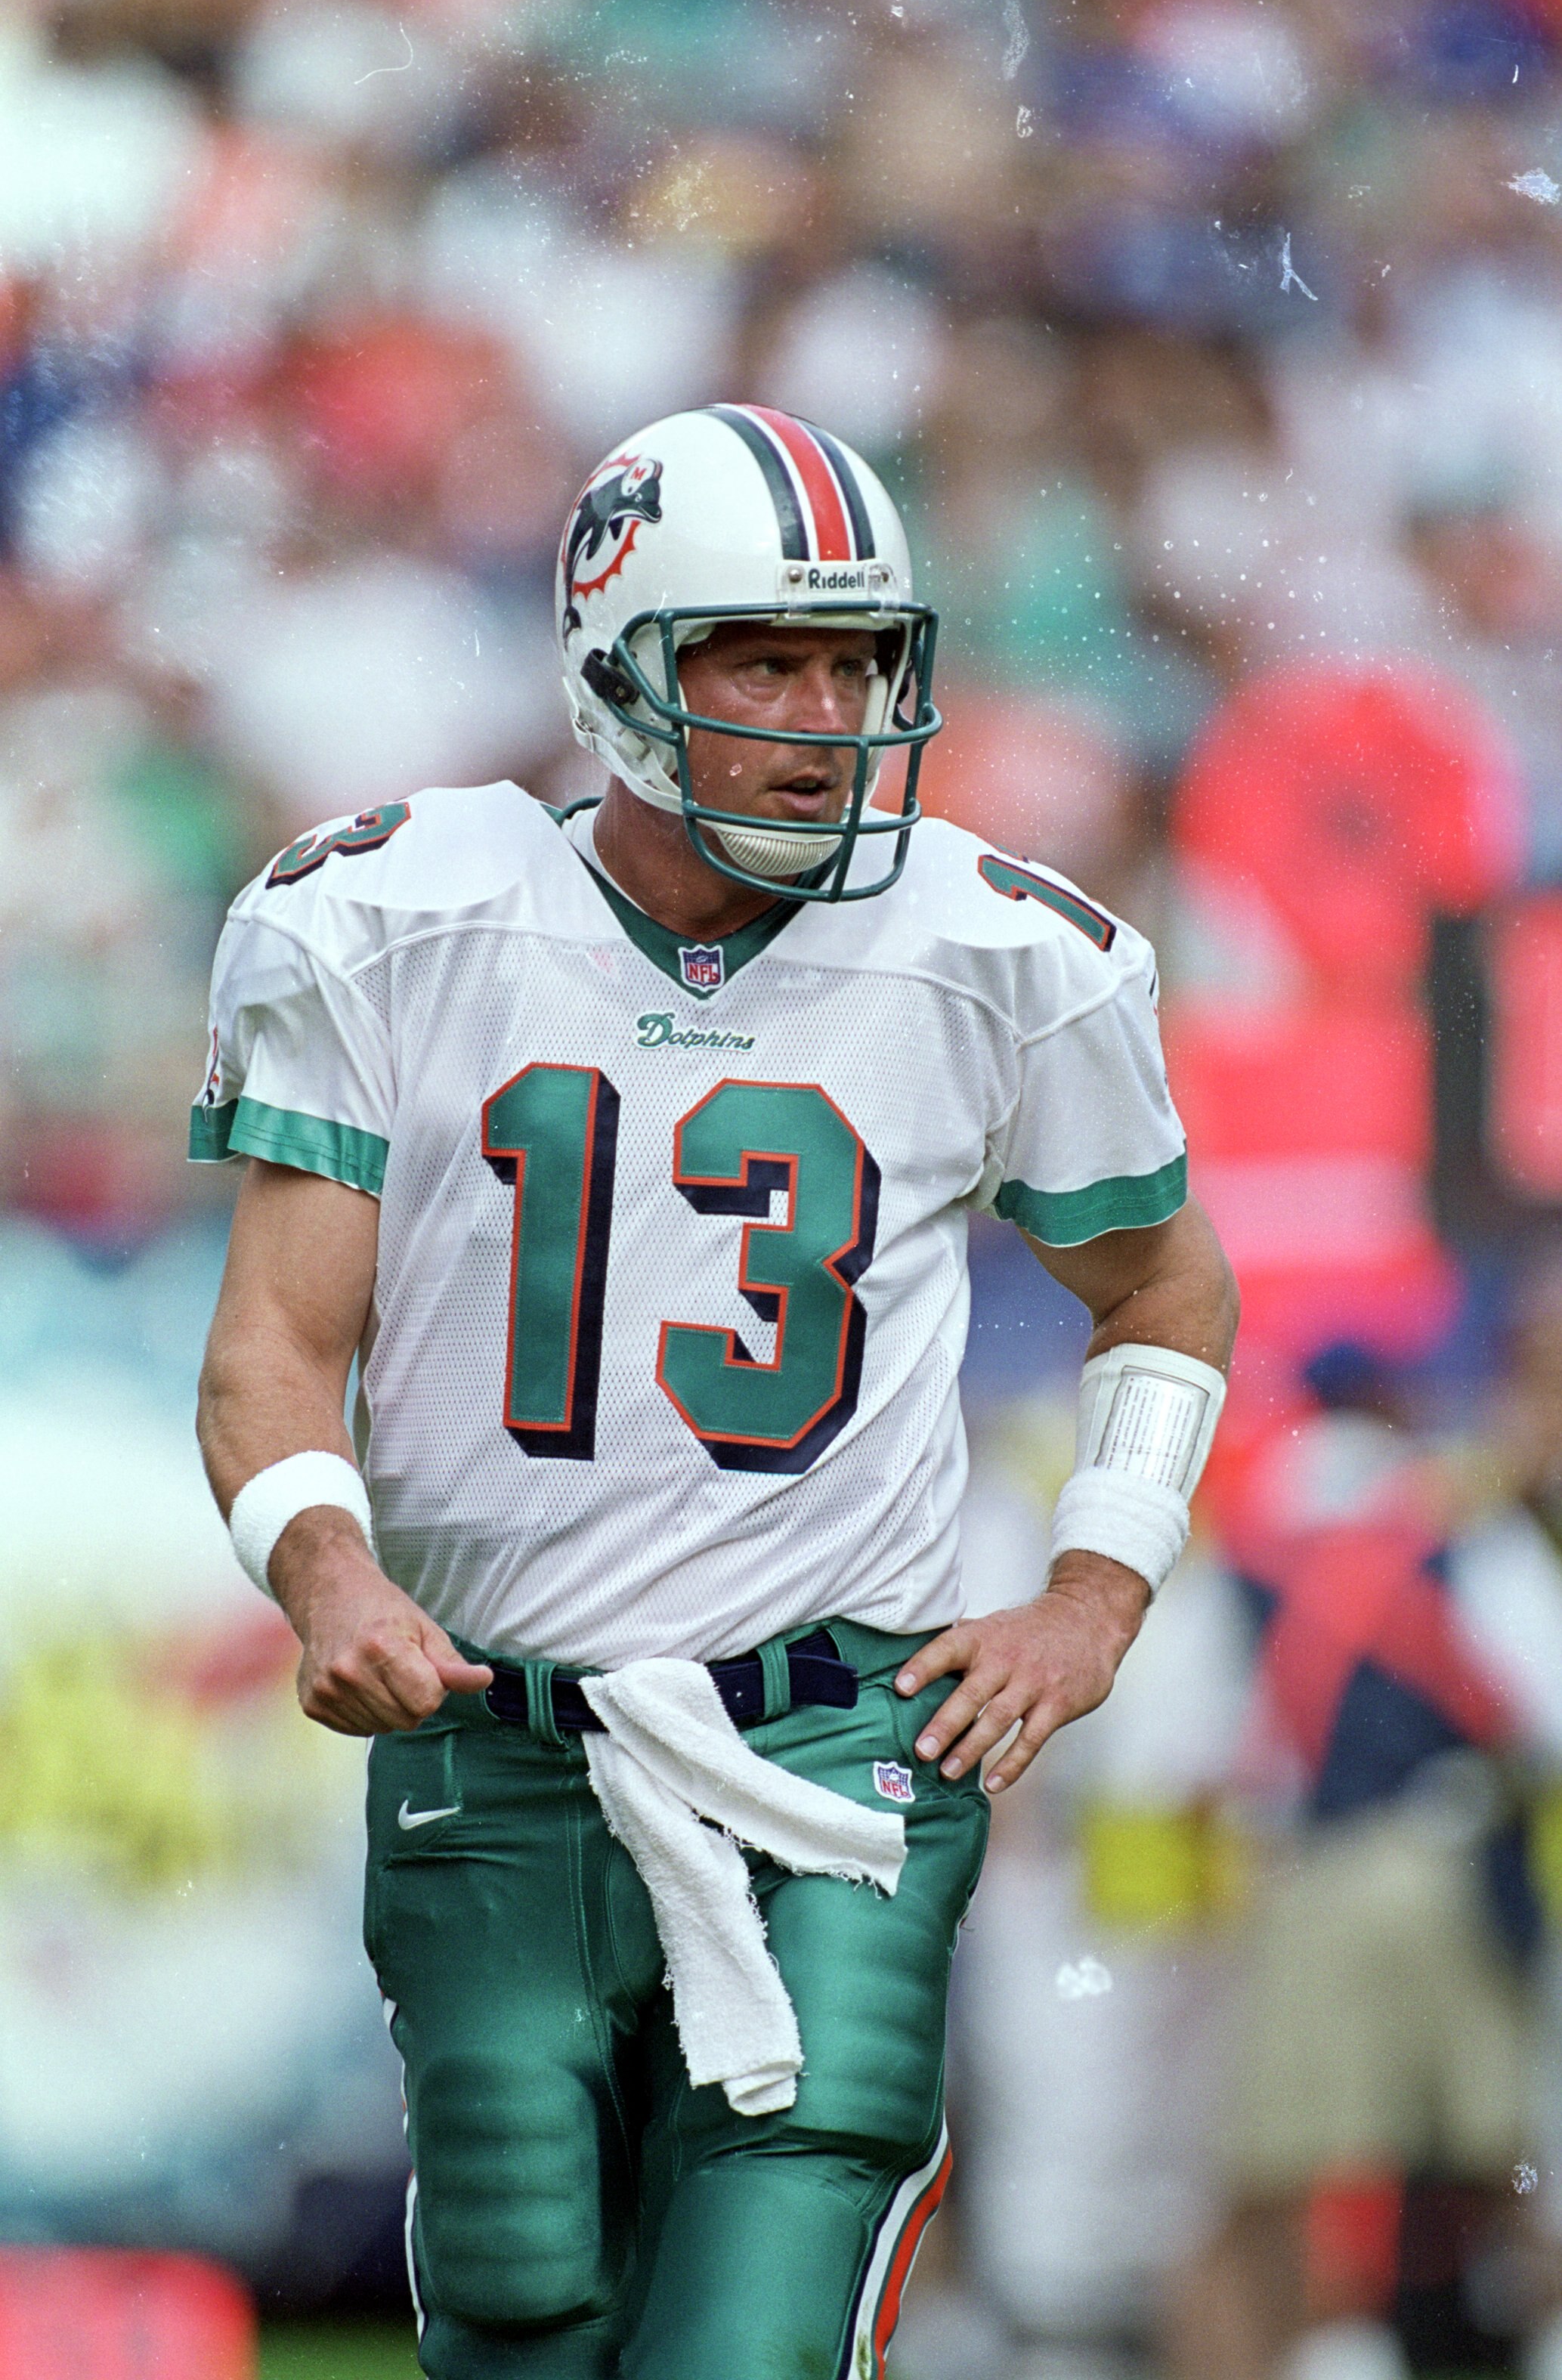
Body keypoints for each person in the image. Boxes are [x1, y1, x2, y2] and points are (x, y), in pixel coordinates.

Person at [190, 404, 1237, 2380]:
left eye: (860, 664)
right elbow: (271, 1346)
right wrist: (326, 1573)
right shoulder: (399, 914)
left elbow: (1166, 1292)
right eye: (765, 663)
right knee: (520, 2307)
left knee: (753, 2325)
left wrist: (1094, 1594)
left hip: (837, 1745)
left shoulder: (996, 951)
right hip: (499, 1733)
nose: (829, 721)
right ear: (615, 669)